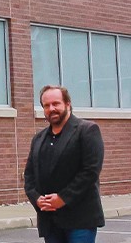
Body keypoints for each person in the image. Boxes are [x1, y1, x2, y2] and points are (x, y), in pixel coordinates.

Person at [24, 85, 105, 243]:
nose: (51, 109)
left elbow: (90, 172)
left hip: (80, 220)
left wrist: (62, 198)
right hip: (50, 221)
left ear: (68, 104)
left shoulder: (87, 131)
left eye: (56, 103)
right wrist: (37, 199)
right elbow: (29, 175)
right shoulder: (38, 139)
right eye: (46, 105)